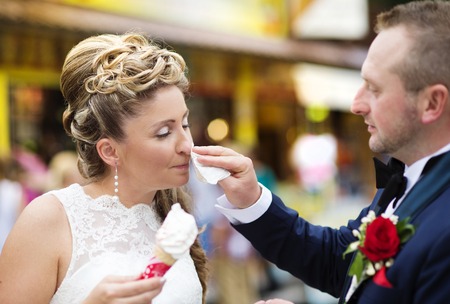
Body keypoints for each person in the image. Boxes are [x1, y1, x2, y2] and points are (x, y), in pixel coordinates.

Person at [192, 1, 450, 303]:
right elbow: (340, 265)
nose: (356, 104)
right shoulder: (409, 178)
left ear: (432, 103)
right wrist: (251, 200)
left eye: (375, 89)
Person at [0, 32, 207, 304]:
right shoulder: (49, 219)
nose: (187, 145)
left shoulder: (170, 214)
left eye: (185, 124)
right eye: (164, 132)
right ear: (110, 151)